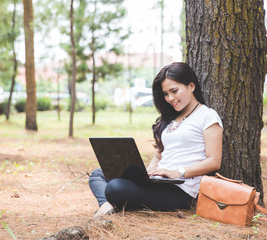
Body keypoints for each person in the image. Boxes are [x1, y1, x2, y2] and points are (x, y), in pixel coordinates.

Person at [88, 62, 223, 216]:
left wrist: (178, 172)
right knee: (98, 174)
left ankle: (109, 205)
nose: (170, 98)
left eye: (174, 91)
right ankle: (107, 205)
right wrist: (146, 175)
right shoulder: (170, 119)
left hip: (180, 190)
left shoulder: (207, 116)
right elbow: (158, 156)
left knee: (115, 187)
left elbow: (214, 161)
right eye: (165, 93)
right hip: (159, 181)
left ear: (191, 86)